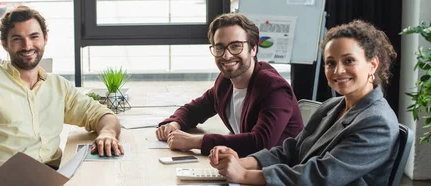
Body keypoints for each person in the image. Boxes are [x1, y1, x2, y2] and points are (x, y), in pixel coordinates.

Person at [208, 20, 399, 185]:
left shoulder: (377, 122)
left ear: (372, 64)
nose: (338, 70)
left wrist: (245, 175)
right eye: (330, 63)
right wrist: (241, 162)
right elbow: (291, 150)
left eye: (349, 61)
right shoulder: (332, 106)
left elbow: (322, 176)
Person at [0, 6, 123, 182]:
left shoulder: (57, 85)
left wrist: (107, 133)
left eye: (34, 37)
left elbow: (102, 114)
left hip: (51, 175)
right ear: (4, 43)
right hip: (5, 180)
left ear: (45, 39)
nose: (27, 45)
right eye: (17, 39)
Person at [155, 13, 303, 157]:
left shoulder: (274, 88)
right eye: (219, 47)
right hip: (244, 167)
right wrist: (174, 124)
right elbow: (194, 110)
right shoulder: (225, 82)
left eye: (235, 46)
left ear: (253, 49)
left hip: (279, 174)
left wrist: (195, 141)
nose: (226, 55)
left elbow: (260, 142)